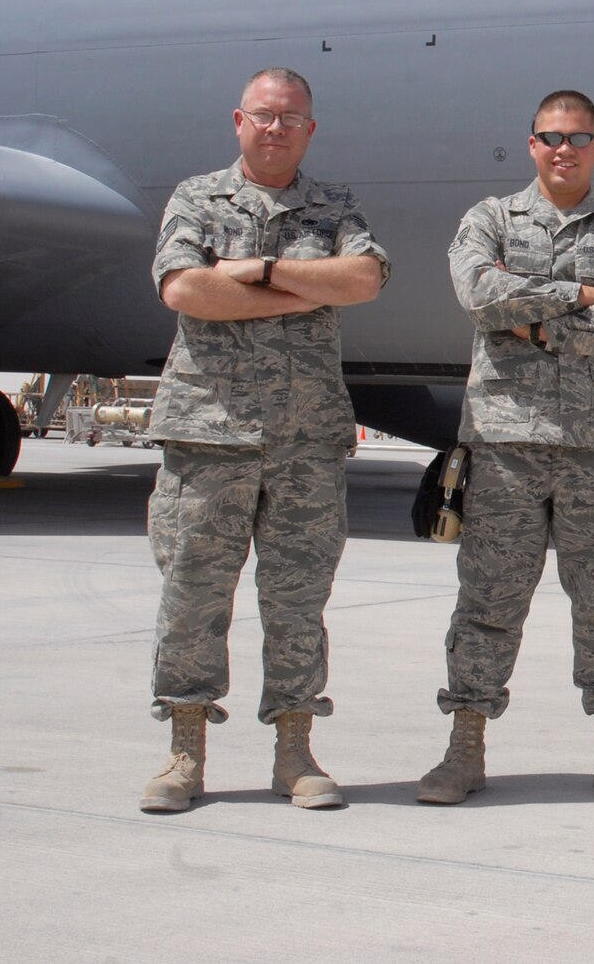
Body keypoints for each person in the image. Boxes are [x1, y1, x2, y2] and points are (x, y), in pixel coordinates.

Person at [140, 68, 389, 813]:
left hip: (305, 438)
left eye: (291, 118)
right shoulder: (197, 198)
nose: (276, 128)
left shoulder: (333, 205)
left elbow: (367, 279)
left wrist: (260, 272)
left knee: (298, 599)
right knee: (192, 594)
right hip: (207, 432)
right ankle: (185, 752)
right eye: (264, 116)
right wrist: (307, 289)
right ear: (238, 122)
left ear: (310, 129)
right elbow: (185, 289)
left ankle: (296, 751)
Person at [418, 90, 594, 805]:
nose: (563, 148)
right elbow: (478, 293)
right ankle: (464, 746)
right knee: (488, 600)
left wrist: (537, 325)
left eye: (578, 137)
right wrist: (586, 296)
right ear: (531, 144)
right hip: (505, 444)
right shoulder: (490, 219)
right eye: (550, 136)